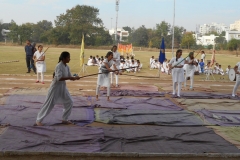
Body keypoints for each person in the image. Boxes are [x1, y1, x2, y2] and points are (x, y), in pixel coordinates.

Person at [36, 51, 80, 126]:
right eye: (68, 57)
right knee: (49, 103)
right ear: (64, 58)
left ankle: (65, 119)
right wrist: (71, 77)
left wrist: (75, 78)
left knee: (69, 102)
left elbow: (70, 77)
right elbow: (59, 78)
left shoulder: (67, 66)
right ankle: (38, 120)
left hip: (62, 86)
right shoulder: (58, 66)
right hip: (55, 87)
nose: (69, 59)